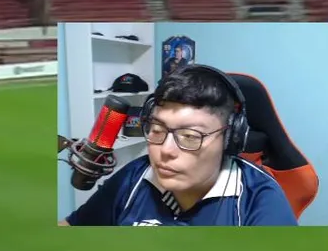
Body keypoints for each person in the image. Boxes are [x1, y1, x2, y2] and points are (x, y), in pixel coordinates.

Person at [60, 65, 297, 226]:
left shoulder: (260, 200)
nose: (165, 150)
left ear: (230, 138)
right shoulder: (135, 176)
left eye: (190, 136)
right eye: (157, 130)